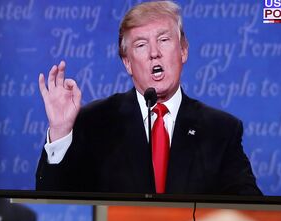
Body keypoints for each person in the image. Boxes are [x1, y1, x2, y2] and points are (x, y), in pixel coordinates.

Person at [36, 0, 262, 196]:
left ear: (183, 50)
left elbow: (251, 208)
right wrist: (60, 132)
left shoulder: (220, 130)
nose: (154, 52)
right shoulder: (95, 122)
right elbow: (53, 199)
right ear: (127, 63)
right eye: (141, 45)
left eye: (164, 40)